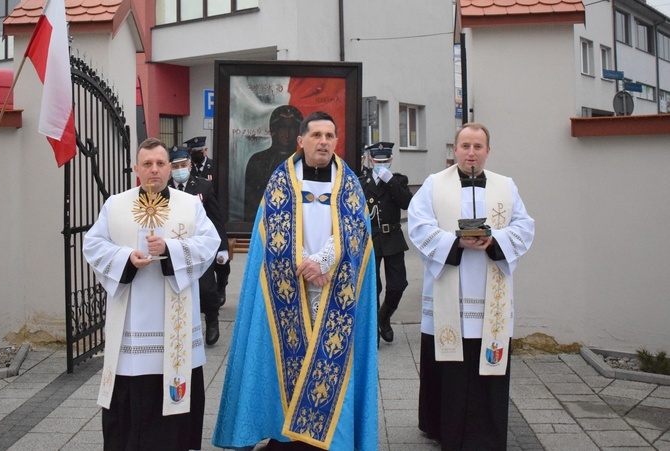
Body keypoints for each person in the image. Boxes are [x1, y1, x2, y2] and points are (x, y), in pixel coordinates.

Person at [213, 111, 378, 450]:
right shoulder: (280, 183)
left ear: (336, 142)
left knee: (329, 357)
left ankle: (331, 436)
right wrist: (305, 263)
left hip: (334, 284)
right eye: (316, 135)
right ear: (301, 141)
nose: (323, 142)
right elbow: (274, 230)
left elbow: (355, 231)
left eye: (329, 136)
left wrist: (323, 261)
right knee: (287, 356)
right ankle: (285, 434)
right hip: (290, 285)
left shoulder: (349, 186)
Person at [83, 137, 221, 450]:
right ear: (136, 169)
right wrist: (125, 259)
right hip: (133, 328)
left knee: (174, 417)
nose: (154, 170)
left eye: (160, 164)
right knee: (131, 415)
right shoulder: (116, 205)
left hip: (176, 330)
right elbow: (92, 245)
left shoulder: (190, 206)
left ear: (170, 168)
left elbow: (209, 244)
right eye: (147, 164)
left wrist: (172, 249)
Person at [407, 123, 535, 450]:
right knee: (448, 365)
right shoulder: (435, 184)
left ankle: (485, 431)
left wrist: (495, 241)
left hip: (489, 292)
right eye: (465, 146)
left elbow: (524, 226)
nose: (471, 153)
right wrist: (455, 243)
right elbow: (419, 226)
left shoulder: (506, 186)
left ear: (488, 150)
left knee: (485, 363)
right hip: (449, 288)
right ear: (455, 149)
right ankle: (440, 426)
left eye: (478, 146)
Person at [168, 145, 229, 346]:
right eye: (175, 166)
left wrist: (222, 247)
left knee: (206, 288)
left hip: (200, 246)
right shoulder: (164, 189)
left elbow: (216, 218)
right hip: (174, 247)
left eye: (183, 165)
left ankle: (212, 318)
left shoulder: (203, 187)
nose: (179, 169)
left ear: (189, 165)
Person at [359, 142, 412, 343]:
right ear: (371, 160)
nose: (382, 164)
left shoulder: (398, 180)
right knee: (374, 286)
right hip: (371, 240)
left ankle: (384, 317)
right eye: (378, 161)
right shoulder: (362, 183)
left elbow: (407, 203)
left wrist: (390, 182)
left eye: (385, 161)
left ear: (390, 161)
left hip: (393, 238)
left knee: (398, 284)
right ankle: (373, 328)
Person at [185, 135, 231, 310]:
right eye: (193, 152)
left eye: (199, 151)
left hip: (213, 217)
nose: (197, 154)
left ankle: (222, 287)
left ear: (205, 151)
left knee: (221, 263)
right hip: (191, 227)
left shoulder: (214, 167)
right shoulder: (188, 171)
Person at [243, 105, 304, 222]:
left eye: (291, 128)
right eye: (282, 128)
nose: (287, 134)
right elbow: (251, 206)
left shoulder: (307, 163)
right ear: (274, 130)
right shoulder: (258, 161)